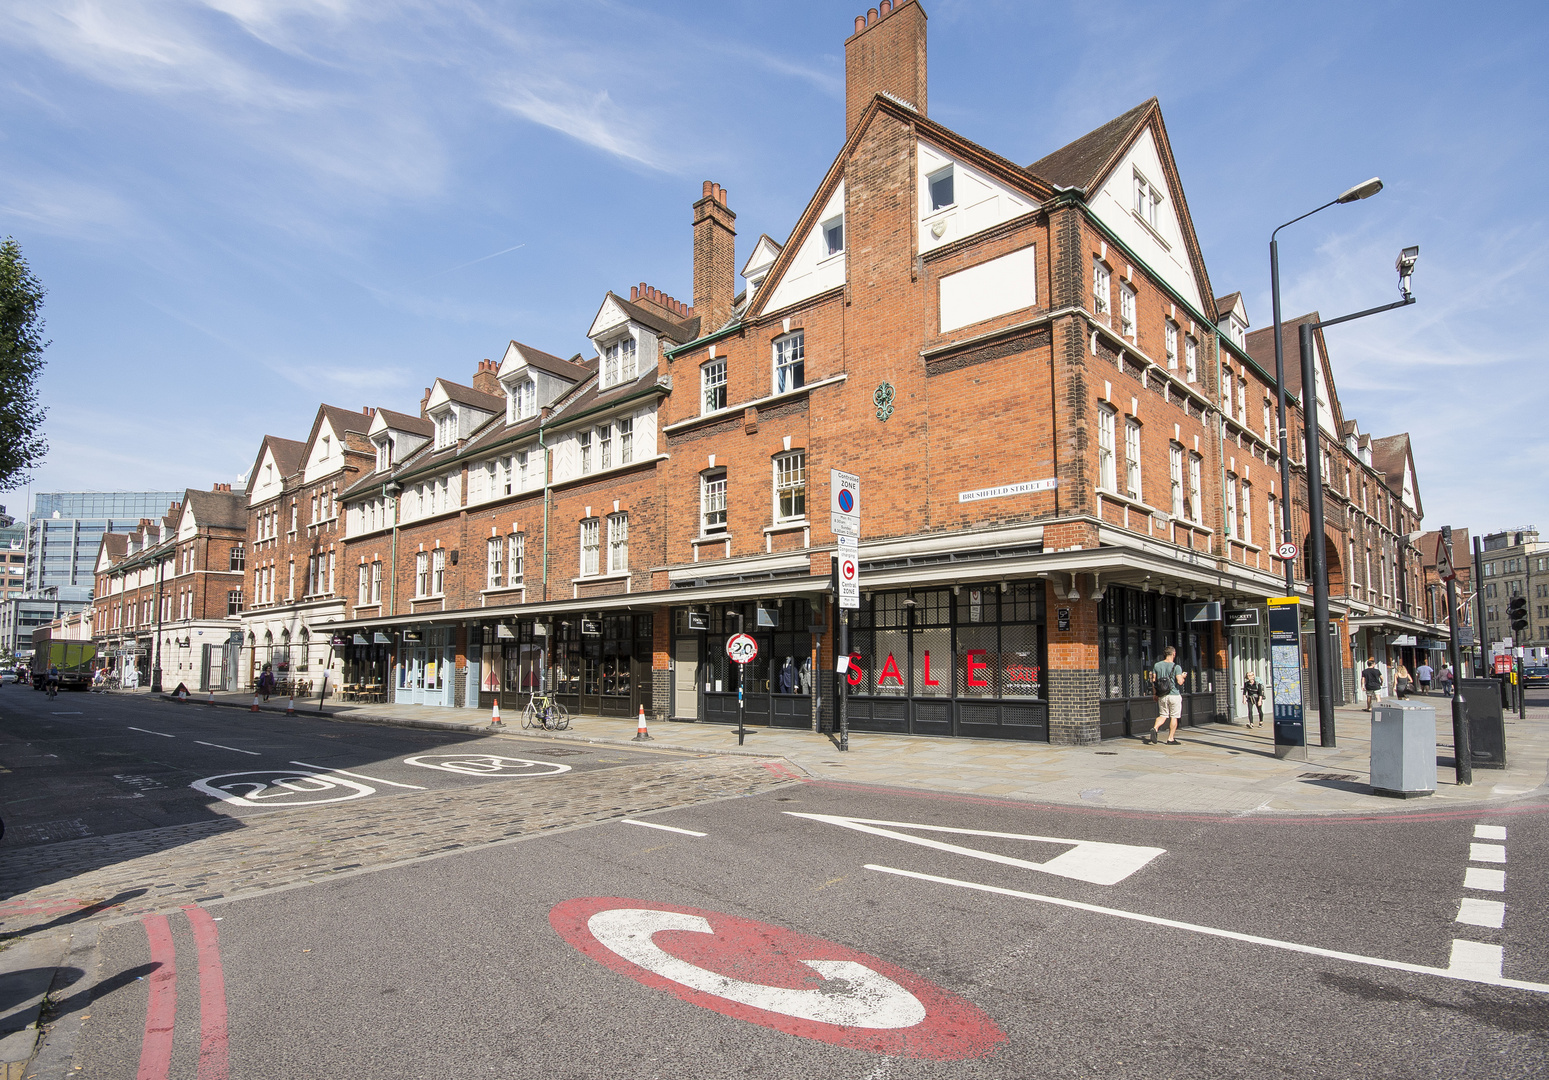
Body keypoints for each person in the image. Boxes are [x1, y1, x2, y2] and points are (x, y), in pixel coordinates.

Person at [1143, 646, 1187, 745]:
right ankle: (1170, 738)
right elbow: (1180, 682)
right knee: (1174, 717)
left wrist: (1155, 694)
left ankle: (1155, 728)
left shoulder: (1157, 666)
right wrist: (1183, 677)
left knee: (1163, 715)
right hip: (1174, 695)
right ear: (1174, 654)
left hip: (1162, 695)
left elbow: (1153, 681)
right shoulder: (1176, 667)